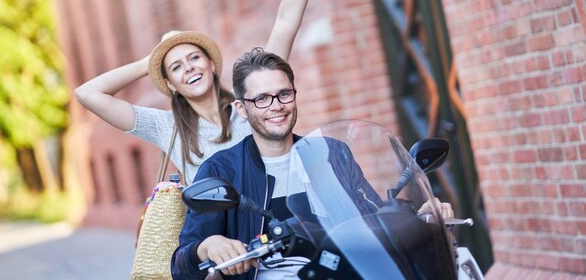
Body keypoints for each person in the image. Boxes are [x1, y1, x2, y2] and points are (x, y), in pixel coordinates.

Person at [74, 0, 321, 185]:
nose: (189, 67)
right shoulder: (167, 127)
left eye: (194, 57)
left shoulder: (252, 101)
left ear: (212, 64)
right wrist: (153, 59)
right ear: (170, 84)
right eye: (176, 67)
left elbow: (285, 21)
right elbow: (87, 94)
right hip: (216, 233)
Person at [171, 48, 455, 280]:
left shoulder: (331, 152)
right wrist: (209, 246)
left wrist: (418, 216)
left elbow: (372, 218)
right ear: (242, 109)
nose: (276, 105)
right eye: (261, 99)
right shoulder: (223, 169)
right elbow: (181, 263)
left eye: (284, 94)